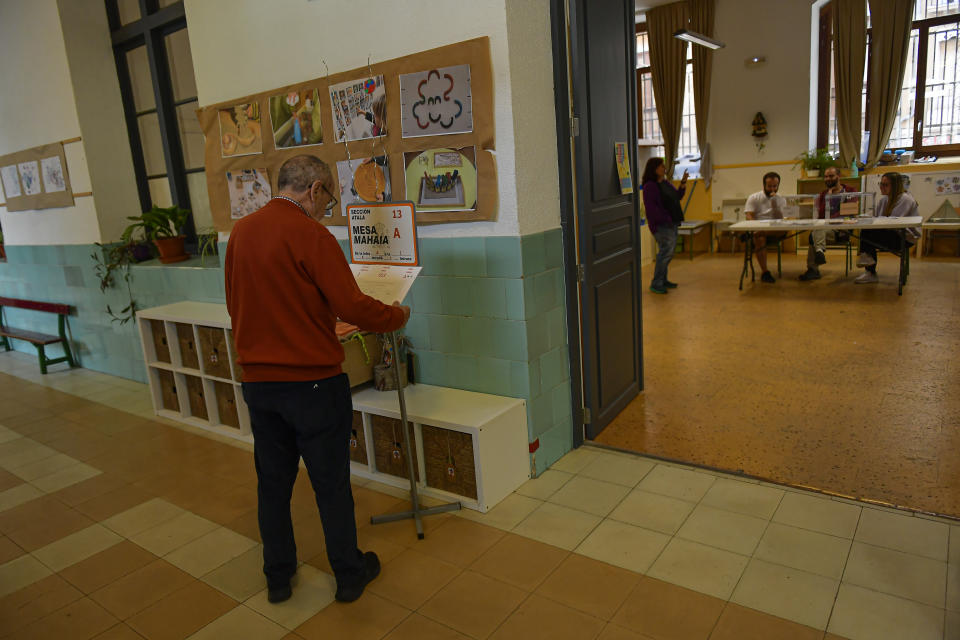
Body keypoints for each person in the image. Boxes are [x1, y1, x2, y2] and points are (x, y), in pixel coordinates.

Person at [225, 155, 410, 604]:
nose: (329, 207)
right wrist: (396, 314)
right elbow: (352, 306)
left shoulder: (240, 234)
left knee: (272, 484)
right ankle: (348, 576)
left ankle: (277, 576)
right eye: (329, 197)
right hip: (313, 385)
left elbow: (236, 305)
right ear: (315, 190)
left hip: (260, 385)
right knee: (330, 484)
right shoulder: (312, 235)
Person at [854, 172, 919, 284]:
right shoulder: (885, 199)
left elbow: (894, 221)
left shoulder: (905, 199)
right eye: (881, 184)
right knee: (867, 230)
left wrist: (873, 219)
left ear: (895, 186)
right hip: (892, 233)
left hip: (905, 238)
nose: (881, 187)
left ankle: (868, 262)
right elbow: (874, 214)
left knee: (867, 232)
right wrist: (861, 217)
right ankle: (868, 263)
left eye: (885, 185)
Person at [798, 166, 858, 281]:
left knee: (814, 234)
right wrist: (827, 199)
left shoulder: (850, 191)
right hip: (825, 231)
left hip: (841, 230)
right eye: (826, 176)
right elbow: (819, 216)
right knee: (816, 230)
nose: (828, 179)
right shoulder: (823, 195)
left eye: (831, 176)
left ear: (838, 176)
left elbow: (849, 213)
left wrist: (830, 219)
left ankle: (813, 268)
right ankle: (819, 252)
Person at [641, 157, 687, 294]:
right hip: (661, 225)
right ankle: (656, 283)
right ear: (654, 169)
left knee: (668, 253)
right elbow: (652, 209)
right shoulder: (650, 186)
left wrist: (683, 182)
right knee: (665, 253)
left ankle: (663, 280)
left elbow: (677, 196)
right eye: (661, 166)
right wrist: (666, 218)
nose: (664, 168)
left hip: (671, 223)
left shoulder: (665, 183)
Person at [744, 172, 788, 283]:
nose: (772, 189)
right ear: (764, 185)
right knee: (759, 238)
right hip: (759, 227)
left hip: (776, 229)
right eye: (769, 186)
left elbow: (785, 218)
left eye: (775, 186)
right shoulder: (754, 197)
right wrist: (755, 226)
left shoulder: (781, 199)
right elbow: (748, 215)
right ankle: (765, 272)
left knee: (782, 228)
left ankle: (755, 234)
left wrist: (776, 205)